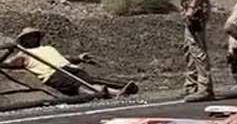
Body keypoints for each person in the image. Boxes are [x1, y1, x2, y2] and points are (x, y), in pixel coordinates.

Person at [4, 27, 138, 98]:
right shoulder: (22, 53)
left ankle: (117, 92)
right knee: (79, 86)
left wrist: (79, 57)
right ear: (24, 40)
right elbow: (8, 63)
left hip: (68, 67)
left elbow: (64, 57)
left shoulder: (47, 48)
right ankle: (108, 94)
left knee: (89, 81)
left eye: (34, 36)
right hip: (53, 73)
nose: (32, 39)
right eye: (29, 37)